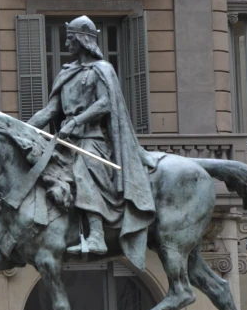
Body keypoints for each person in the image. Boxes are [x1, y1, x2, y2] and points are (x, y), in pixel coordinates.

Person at [27, 16, 156, 270]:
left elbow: (105, 103)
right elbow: (50, 110)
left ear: (83, 40)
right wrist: (21, 128)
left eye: (70, 38)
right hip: (65, 141)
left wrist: (77, 122)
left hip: (92, 140)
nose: (66, 43)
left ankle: (96, 234)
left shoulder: (102, 70)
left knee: (82, 166)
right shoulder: (67, 73)